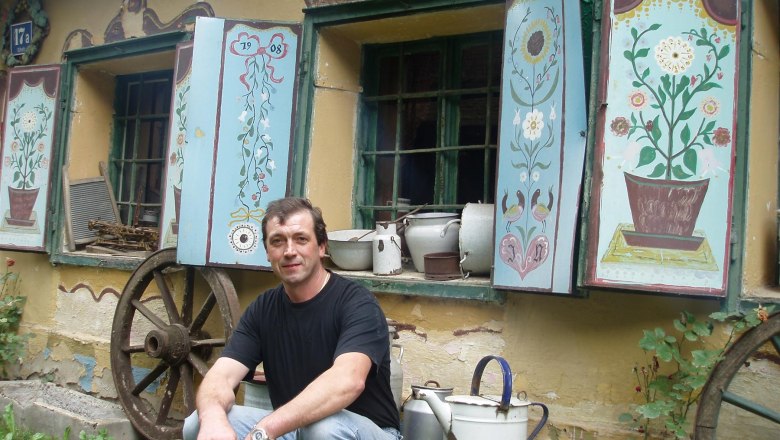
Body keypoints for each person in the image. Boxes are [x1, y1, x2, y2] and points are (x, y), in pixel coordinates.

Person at [183, 197, 400, 440]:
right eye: (278, 241)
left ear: (321, 247)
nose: (289, 251)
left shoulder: (357, 303)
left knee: (323, 429)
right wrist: (213, 420)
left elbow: (348, 381)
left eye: (301, 239)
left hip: (370, 433)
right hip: (296, 428)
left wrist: (266, 429)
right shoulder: (263, 309)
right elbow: (220, 377)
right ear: (267, 252)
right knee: (197, 423)